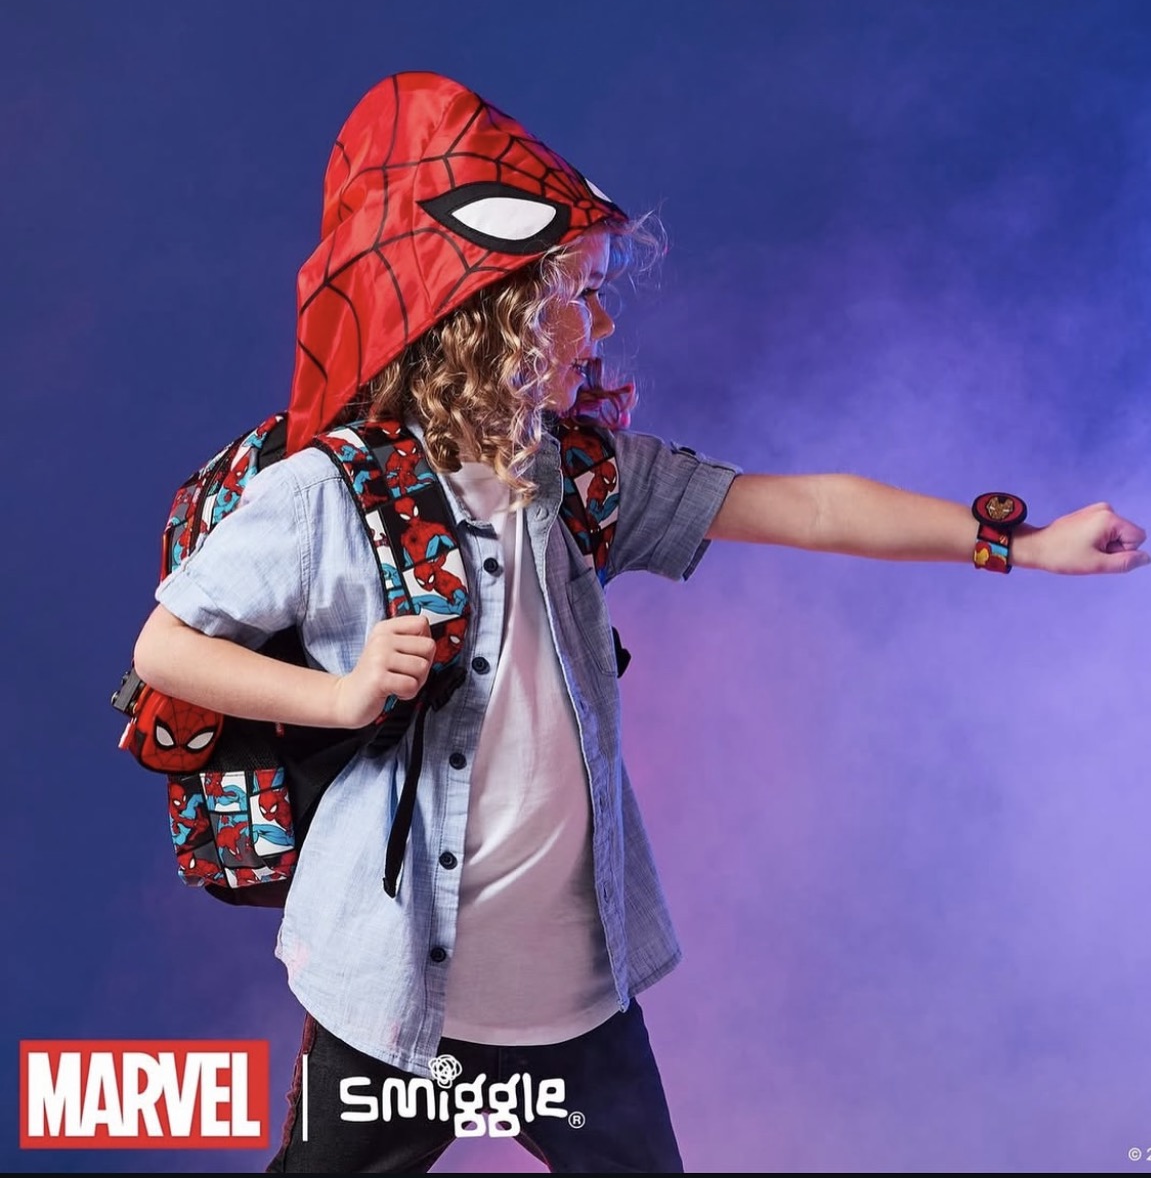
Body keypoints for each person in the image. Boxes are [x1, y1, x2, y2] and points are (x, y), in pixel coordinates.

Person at [131, 71, 1148, 1174]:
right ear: (498, 311)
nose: (604, 322)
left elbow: (806, 506)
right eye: (579, 292)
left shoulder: (582, 477)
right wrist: (336, 695)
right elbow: (165, 648)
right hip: (390, 1000)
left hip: (572, 1002)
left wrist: (1021, 543)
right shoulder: (331, 491)